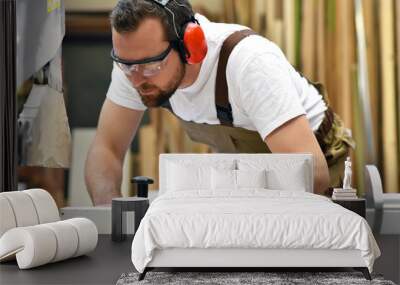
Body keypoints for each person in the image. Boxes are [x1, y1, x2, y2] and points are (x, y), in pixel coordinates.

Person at [85, 0, 354, 205]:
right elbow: (106, 148)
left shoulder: (249, 63)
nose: (136, 80)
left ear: (191, 46)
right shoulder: (136, 66)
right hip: (246, 178)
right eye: (125, 66)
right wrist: (112, 217)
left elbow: (311, 175)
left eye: (152, 66)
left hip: (316, 170)